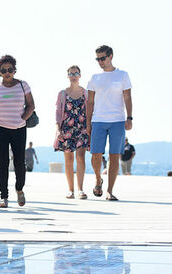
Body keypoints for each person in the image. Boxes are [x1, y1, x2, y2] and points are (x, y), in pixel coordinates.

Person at [0, 55, 35, 208]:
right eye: (3, 70)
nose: (7, 73)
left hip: (19, 128)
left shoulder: (23, 85)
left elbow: (31, 105)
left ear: (14, 70)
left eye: (10, 70)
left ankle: (19, 189)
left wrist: (23, 118)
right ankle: (3, 196)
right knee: (3, 162)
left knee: (19, 162)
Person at [85, 45, 132, 201]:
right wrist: (88, 123)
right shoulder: (94, 78)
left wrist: (129, 117)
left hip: (117, 121)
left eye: (102, 58)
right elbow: (90, 102)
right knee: (95, 155)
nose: (100, 61)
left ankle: (109, 191)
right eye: (97, 59)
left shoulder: (123, 75)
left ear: (111, 56)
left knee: (114, 156)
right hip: (98, 120)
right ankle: (98, 179)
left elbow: (127, 97)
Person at [54, 65, 89, 199]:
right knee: (68, 159)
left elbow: (90, 111)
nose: (73, 76)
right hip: (66, 129)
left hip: (82, 128)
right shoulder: (62, 94)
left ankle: (80, 189)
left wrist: (90, 127)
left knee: (80, 157)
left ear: (80, 75)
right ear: (68, 76)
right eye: (71, 74)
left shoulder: (86, 93)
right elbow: (58, 113)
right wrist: (58, 130)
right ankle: (70, 190)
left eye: (76, 73)